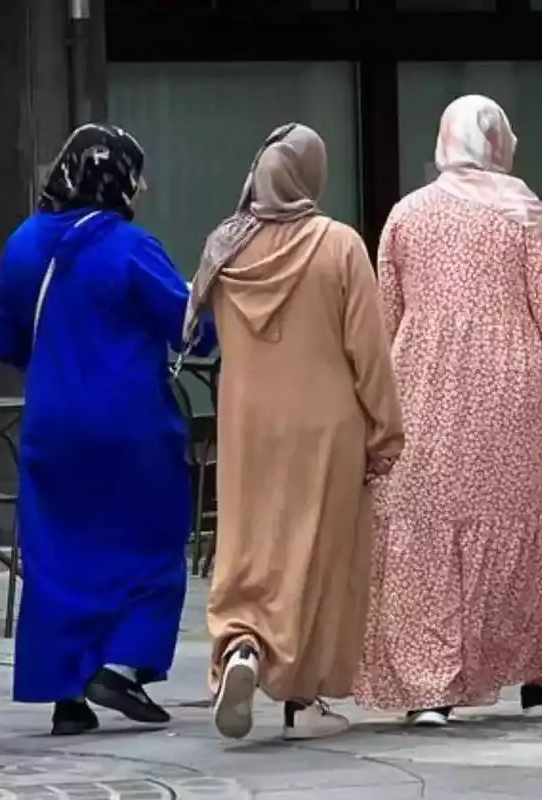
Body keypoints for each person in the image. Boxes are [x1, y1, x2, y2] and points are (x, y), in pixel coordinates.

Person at [353, 95, 542, 728]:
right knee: (521, 530)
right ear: (497, 141)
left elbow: (384, 317)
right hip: (511, 397)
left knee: (425, 527)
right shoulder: (525, 214)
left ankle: (427, 687)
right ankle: (541, 676)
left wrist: (365, 400)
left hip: (423, 389)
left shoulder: (406, 215)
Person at [0, 123, 217, 737]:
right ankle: (121, 662)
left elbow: (5, 337)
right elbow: (190, 328)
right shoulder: (131, 247)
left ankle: (67, 695)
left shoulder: (23, 245)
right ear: (117, 179)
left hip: (52, 424)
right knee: (154, 542)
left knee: (58, 557)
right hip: (131, 424)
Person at [188, 123, 404, 742]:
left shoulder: (224, 249)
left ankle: (243, 649)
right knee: (317, 554)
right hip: (326, 427)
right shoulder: (338, 245)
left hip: (247, 426)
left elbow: (198, 331)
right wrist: (386, 431)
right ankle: (302, 697)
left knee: (250, 544)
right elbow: (370, 350)